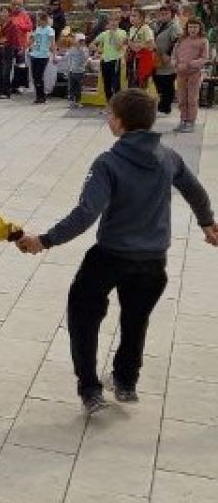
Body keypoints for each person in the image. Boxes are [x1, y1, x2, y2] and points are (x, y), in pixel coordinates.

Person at [17, 89, 218, 413]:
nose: (108, 119)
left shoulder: (108, 162)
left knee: (83, 314)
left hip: (111, 256)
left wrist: (45, 240)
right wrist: (207, 223)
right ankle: (125, 382)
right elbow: (195, 189)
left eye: (110, 115)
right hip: (153, 260)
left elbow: (86, 212)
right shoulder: (168, 156)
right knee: (135, 319)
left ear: (120, 123)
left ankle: (90, 388)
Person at [172, 18, 210, 133]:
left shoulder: (203, 41)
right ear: (187, 28)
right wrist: (174, 62)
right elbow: (174, 53)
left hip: (194, 73)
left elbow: (204, 58)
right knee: (182, 97)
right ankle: (183, 120)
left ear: (199, 29)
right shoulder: (181, 40)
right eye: (190, 27)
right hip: (180, 73)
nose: (192, 29)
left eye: (195, 27)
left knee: (192, 98)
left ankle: (191, 122)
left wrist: (189, 64)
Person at [91, 13, 127, 101]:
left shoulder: (122, 32)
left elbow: (119, 47)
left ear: (119, 21)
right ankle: (109, 105)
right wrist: (100, 50)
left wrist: (113, 34)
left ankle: (117, 105)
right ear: (108, 22)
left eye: (115, 20)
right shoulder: (104, 34)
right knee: (107, 84)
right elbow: (91, 45)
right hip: (105, 61)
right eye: (111, 20)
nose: (113, 22)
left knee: (115, 84)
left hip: (115, 61)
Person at [29, 12, 56, 104]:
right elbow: (33, 39)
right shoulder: (37, 29)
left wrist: (54, 55)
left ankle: (42, 96)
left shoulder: (49, 30)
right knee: (34, 76)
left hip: (43, 55)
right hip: (34, 54)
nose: (38, 22)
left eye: (40, 20)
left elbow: (52, 43)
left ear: (44, 20)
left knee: (39, 75)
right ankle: (38, 95)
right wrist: (30, 45)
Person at [125, 8, 155, 90]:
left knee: (141, 83)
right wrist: (133, 46)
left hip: (142, 60)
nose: (132, 18)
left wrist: (138, 46)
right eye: (131, 16)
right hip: (133, 59)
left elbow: (151, 45)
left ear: (141, 18)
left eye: (134, 16)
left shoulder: (146, 28)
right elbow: (130, 44)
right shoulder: (131, 29)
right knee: (131, 82)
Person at [63, 33, 90, 108]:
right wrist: (67, 70)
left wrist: (81, 51)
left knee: (78, 87)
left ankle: (78, 101)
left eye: (82, 41)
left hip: (80, 72)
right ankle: (71, 101)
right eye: (79, 41)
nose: (81, 43)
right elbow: (67, 58)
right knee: (71, 87)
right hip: (72, 71)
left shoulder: (85, 50)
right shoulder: (72, 49)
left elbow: (85, 59)